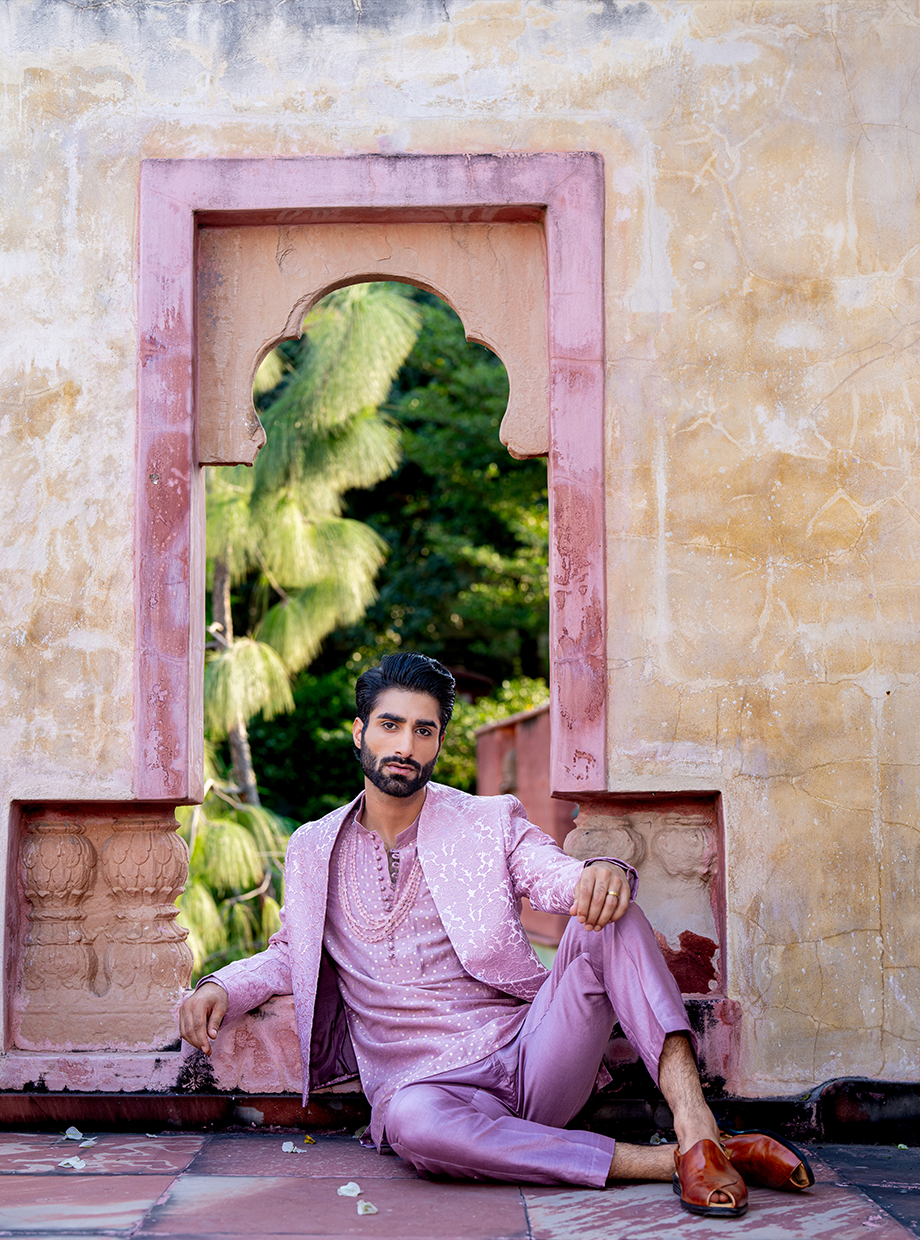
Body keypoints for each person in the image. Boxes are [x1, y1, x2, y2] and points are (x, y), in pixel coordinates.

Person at [179, 652, 813, 1217]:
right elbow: (291, 952)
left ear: (438, 743)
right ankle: (684, 1159)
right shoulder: (313, 846)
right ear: (359, 732)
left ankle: (694, 1123)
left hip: (531, 1058)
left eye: (423, 730)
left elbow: (553, 876)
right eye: (390, 724)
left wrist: (600, 874)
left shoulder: (487, 820)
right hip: (424, 1091)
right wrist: (222, 987)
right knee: (411, 1128)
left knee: (607, 915)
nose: (405, 744)